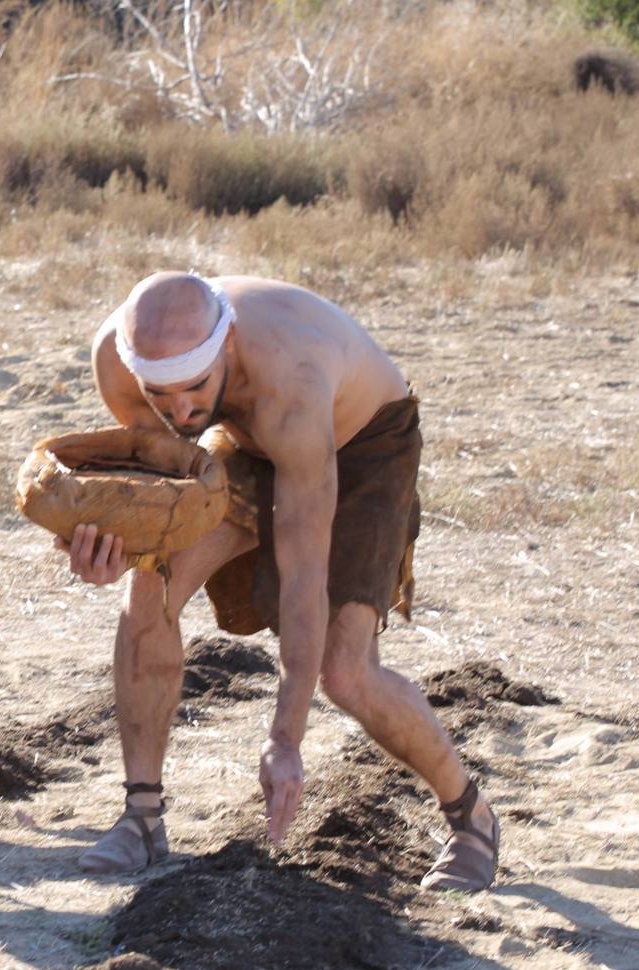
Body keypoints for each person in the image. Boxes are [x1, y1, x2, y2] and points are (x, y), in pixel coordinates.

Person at [61, 271, 498, 891]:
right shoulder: (119, 363)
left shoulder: (290, 381)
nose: (181, 411)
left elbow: (303, 576)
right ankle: (141, 819)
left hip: (361, 439)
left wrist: (285, 738)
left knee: (345, 670)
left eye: (196, 388)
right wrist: (105, 552)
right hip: (247, 439)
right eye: (163, 397)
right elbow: (149, 500)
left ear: (228, 345)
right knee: (149, 589)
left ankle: (470, 818)